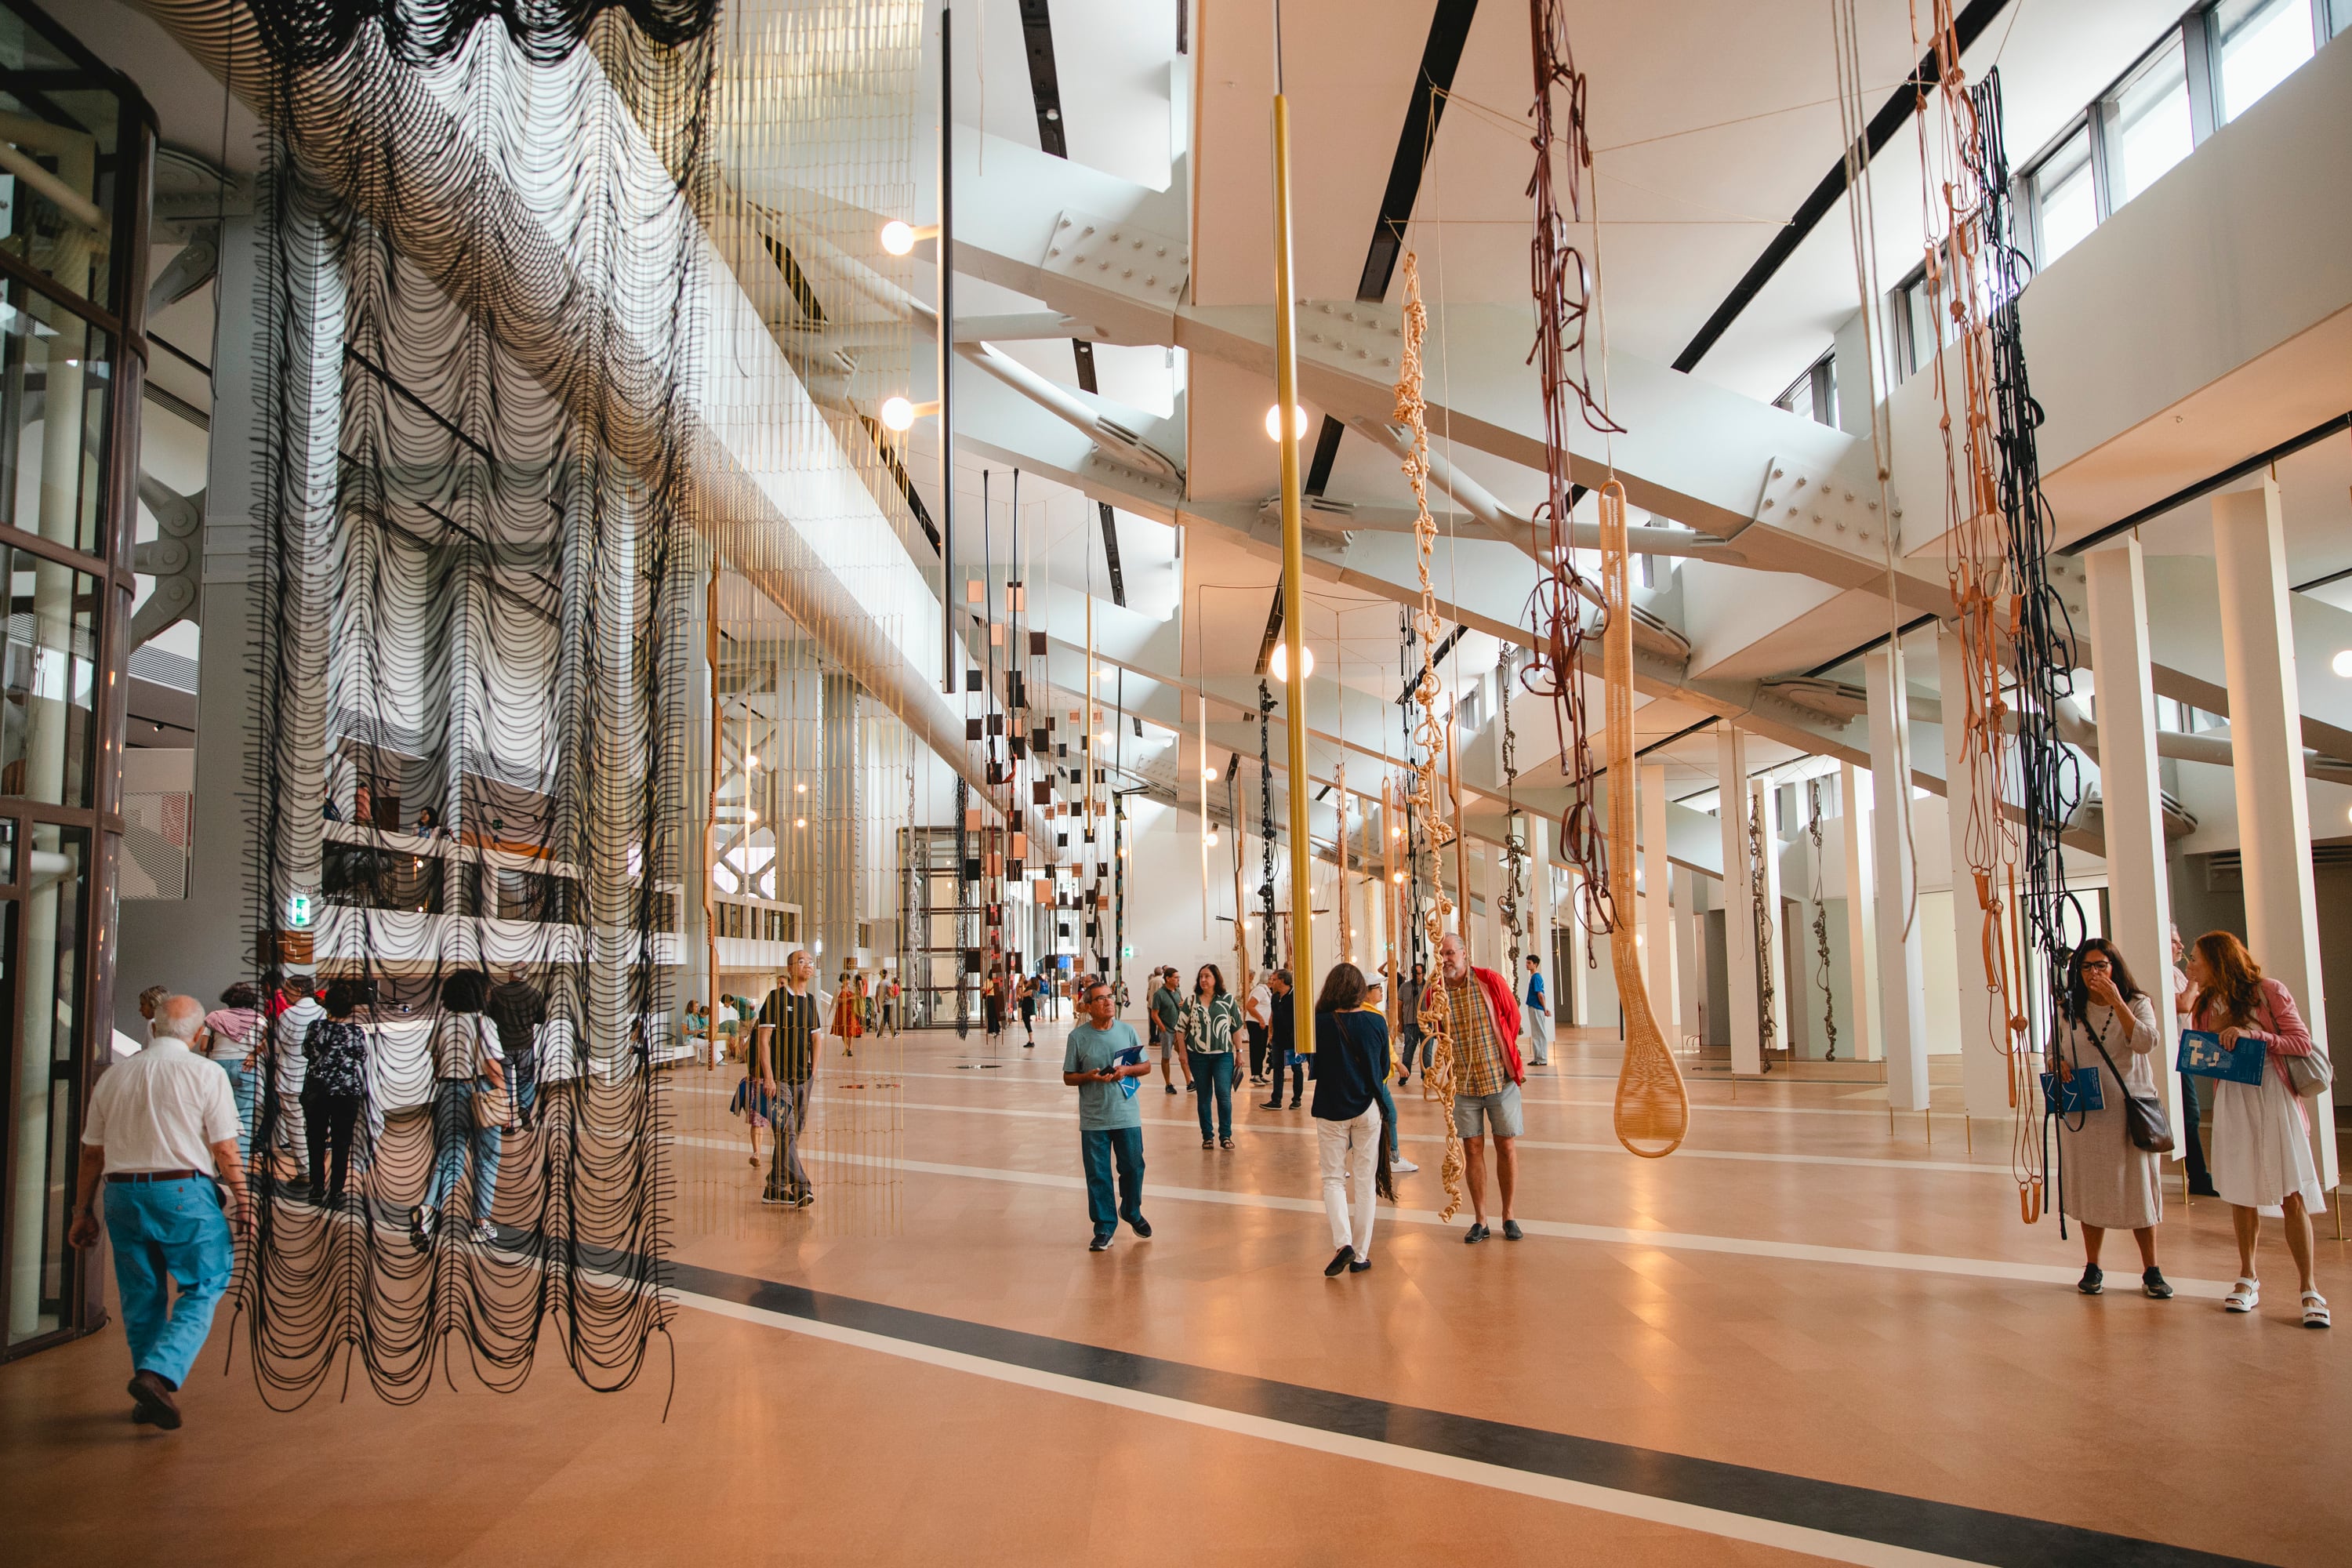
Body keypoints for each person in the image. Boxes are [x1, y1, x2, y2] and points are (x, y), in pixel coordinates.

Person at [67, 994, 252, 1431]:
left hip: (121, 1196)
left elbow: (92, 1154)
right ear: (199, 1033)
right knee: (205, 1283)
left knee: (140, 1295)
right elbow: (225, 1148)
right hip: (182, 1191)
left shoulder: (115, 1076)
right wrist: (245, 1202)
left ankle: (152, 1393)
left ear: (154, 1027)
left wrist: (81, 1211)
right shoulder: (205, 1072)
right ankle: (158, 1374)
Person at [2187, 931, 2329, 1326]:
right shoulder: (2203, 1004)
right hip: (2233, 1100)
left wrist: (2254, 1037)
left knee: (2292, 1192)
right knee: (2241, 1192)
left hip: (2274, 1097)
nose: (2189, 964)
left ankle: (2309, 1288)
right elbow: (2208, 1052)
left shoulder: (2269, 992)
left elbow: (2300, 1042)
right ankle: (2248, 1277)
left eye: (2195, 958)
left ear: (2218, 960)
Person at [2047, 939, 2170, 1298]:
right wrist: (2058, 1064)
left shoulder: (2137, 1002)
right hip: (2086, 1109)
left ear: (2114, 966)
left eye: (2101, 965)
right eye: (2086, 967)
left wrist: (2118, 1001)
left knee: (2139, 1187)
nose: (2094, 974)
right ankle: (2093, 1265)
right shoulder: (2068, 1007)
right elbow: (2052, 1050)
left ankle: (2151, 1268)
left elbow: (2147, 1042)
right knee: (2091, 1185)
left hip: (2129, 1110)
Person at [1434, 931, 1525, 1242]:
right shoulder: (1438, 993)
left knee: (1506, 1145)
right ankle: (1480, 1220)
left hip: (1498, 1079)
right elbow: (1436, 1033)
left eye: (1450, 953)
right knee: (1472, 1148)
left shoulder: (1489, 981)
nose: (1446, 959)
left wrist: (1506, 1057)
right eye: (1442, 954)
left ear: (1464, 953)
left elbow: (1512, 1019)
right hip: (1463, 1085)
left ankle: (1509, 1215)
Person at [1311, 964, 1398, 1276]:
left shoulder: (1319, 1023)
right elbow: (1384, 1066)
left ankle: (1343, 1242)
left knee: (1333, 1179)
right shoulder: (1375, 1021)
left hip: (1331, 1107)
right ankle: (1360, 1255)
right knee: (1364, 1180)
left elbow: (1314, 1067)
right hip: (1366, 1107)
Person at [412, 970, 508, 1248]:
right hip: (479, 1091)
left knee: (448, 1157)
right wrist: (508, 1099)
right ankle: (480, 1223)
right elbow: (492, 1066)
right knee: (487, 1158)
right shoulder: (483, 1023)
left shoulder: (442, 1023)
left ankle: (429, 1212)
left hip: (446, 1091)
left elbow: (436, 1063)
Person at [1062, 977, 1152, 1252]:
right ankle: (1104, 1227)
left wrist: (1126, 1071)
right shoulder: (1078, 1037)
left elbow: (1146, 1066)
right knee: (1098, 1175)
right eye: (1100, 998)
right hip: (1094, 1119)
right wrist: (1088, 1077)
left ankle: (1131, 1210)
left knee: (1134, 1167)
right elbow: (1068, 1077)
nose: (1108, 1001)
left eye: (1110, 996)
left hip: (1126, 1115)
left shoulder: (1127, 1031)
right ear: (1088, 1007)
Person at [755, 949, 830, 1207]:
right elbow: (763, 1042)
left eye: (810, 962)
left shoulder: (810, 1001)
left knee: (792, 1134)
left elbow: (816, 1038)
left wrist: (813, 1071)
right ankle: (801, 1186)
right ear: (789, 968)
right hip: (779, 1080)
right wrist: (769, 1078)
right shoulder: (775, 999)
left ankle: (774, 1188)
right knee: (785, 1131)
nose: (808, 966)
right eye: (802, 961)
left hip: (802, 1078)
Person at [299, 979, 371, 1209]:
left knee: (315, 1139)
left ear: (326, 1006)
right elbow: (362, 1057)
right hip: (347, 1091)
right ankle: (337, 1191)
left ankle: (317, 1186)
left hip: (317, 1090)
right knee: (342, 1141)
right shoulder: (357, 1032)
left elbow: (306, 1052)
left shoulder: (315, 1027)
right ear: (350, 1009)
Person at [2169, 925, 2218, 1197]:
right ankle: (2198, 1177)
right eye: (2176, 941)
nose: (2181, 948)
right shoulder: (2167, 973)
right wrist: (2195, 981)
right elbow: (2185, 1004)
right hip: (2173, 1053)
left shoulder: (2176, 972)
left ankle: (2199, 1176)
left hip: (2186, 1049)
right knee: (2190, 1115)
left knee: (2191, 1115)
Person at [1178, 964, 1243, 1149]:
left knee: (1224, 1095)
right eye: (1201, 977)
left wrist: (1239, 1053)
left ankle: (1226, 1135)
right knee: (1204, 1096)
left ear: (1216, 979)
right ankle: (1207, 1136)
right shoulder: (1191, 1001)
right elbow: (1180, 1029)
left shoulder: (1228, 1000)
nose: (1203, 980)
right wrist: (1183, 1053)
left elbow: (1236, 1028)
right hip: (1198, 1056)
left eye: (1207, 976)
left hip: (1222, 1055)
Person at [269, 976, 324, 1187]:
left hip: (290, 1077)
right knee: (315, 1125)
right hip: (316, 1078)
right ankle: (317, 1168)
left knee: (295, 1125)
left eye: (287, 990)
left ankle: (305, 1170)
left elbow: (276, 1047)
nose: (284, 995)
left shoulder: (289, 1015)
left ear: (299, 990)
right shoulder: (322, 1013)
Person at [1362, 979, 1417, 1174]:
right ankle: (1393, 1157)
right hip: (1376, 1078)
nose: (1381, 992)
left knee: (1368, 1119)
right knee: (1389, 1115)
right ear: (1366, 992)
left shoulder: (1371, 1013)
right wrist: (1399, 1063)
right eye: (1377, 989)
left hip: (1377, 1076)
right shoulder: (1371, 1016)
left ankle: (1336, 1157)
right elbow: (1383, 1045)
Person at [202, 982, 264, 1156]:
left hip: (218, 1067)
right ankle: (239, 1167)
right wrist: (253, 1053)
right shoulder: (259, 1018)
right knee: (244, 1119)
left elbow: (203, 1046)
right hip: (246, 1066)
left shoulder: (215, 1017)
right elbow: (271, 1039)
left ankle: (218, 1164)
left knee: (218, 1117)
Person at [487, 965, 547, 1130]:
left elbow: (488, 1016)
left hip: (503, 1045)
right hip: (525, 1044)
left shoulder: (497, 993)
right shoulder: (536, 994)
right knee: (526, 1079)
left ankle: (506, 1120)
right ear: (526, 976)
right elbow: (541, 1019)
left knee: (503, 1082)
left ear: (511, 975)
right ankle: (525, 1109)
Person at [1258, 970, 1304, 1109]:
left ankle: (1297, 1099)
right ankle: (1276, 1100)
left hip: (1293, 1039)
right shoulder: (1274, 997)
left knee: (1297, 1068)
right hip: (1278, 1039)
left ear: (1283, 981)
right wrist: (1270, 1033)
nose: (1271, 982)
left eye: (1274, 979)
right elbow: (1272, 1015)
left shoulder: (1295, 996)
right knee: (1277, 1068)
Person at [1149, 966, 1188, 1097]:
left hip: (1178, 1031)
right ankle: (1168, 1084)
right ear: (1168, 979)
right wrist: (1163, 1029)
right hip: (1167, 1031)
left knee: (1184, 1055)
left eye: (1178, 977)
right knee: (1166, 1057)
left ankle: (1190, 1081)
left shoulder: (1177, 991)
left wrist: (1183, 1004)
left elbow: (1181, 1003)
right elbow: (1154, 1014)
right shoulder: (1159, 994)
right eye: (1176, 977)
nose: (1178, 980)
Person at [1397, 961, 1428, 1083]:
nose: (1416, 976)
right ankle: (1404, 1075)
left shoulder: (1429, 987)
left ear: (1424, 974)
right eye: (1414, 974)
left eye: (1419, 974)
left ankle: (1426, 1076)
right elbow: (1400, 1005)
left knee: (1427, 1052)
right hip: (1410, 1023)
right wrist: (1401, 1023)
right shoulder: (1404, 987)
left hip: (1426, 1024)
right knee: (1408, 1050)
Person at [1522, 955, 1552, 1069]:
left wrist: (1544, 1009)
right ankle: (1538, 1057)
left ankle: (1542, 1058)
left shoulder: (1536, 978)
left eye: (1529, 963)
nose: (1527, 965)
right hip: (1535, 1007)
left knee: (1539, 1033)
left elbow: (1540, 994)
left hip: (1536, 1008)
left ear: (1535, 964)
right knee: (1537, 1033)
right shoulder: (1534, 977)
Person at [1243, 971, 1272, 1085]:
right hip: (1256, 1023)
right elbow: (1249, 1006)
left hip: (1262, 1023)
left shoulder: (1266, 990)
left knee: (1261, 1050)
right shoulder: (1260, 990)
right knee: (1256, 1049)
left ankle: (1259, 1074)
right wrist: (1260, 1019)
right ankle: (1255, 1074)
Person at [833, 971, 865, 1056]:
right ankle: (847, 1048)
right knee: (843, 1032)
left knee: (851, 1031)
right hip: (841, 1012)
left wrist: (860, 984)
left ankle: (849, 1049)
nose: (847, 981)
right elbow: (838, 1001)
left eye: (848, 980)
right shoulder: (838, 989)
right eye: (845, 980)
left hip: (851, 1012)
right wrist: (850, 998)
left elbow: (862, 995)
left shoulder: (853, 989)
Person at [982, 967, 1004, 1037]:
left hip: (992, 998)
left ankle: (994, 1030)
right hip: (994, 998)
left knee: (993, 1015)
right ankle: (995, 1029)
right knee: (995, 1015)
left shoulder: (989, 981)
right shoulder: (994, 981)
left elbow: (984, 989)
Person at [1018, 973, 1037, 1044]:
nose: (1027, 981)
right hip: (1027, 1007)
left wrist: (1020, 984)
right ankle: (1030, 1040)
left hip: (1027, 1008)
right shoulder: (1030, 989)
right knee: (1027, 1023)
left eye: (1029, 981)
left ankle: (1031, 1041)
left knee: (1027, 1023)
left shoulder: (1031, 990)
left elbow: (1021, 995)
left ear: (1031, 982)